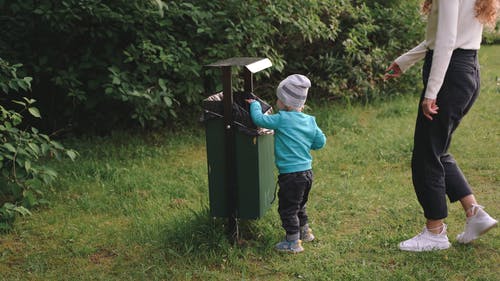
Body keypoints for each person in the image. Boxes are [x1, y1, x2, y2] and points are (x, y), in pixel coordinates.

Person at [384, 0, 498, 252]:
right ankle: (474, 214)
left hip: (451, 75)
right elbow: (441, 39)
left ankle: (435, 232)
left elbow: (447, 41)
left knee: (426, 154)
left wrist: (431, 92)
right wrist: (405, 61)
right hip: (466, 70)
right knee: (436, 148)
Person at [246, 74, 326, 253]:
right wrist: (307, 143)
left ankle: (293, 242)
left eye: (279, 99)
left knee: (288, 209)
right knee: (300, 205)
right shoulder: (310, 121)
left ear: (286, 103)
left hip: (290, 175)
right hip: (307, 173)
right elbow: (320, 142)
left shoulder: (281, 119)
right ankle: (305, 232)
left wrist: (255, 105)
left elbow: (259, 120)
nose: (276, 102)